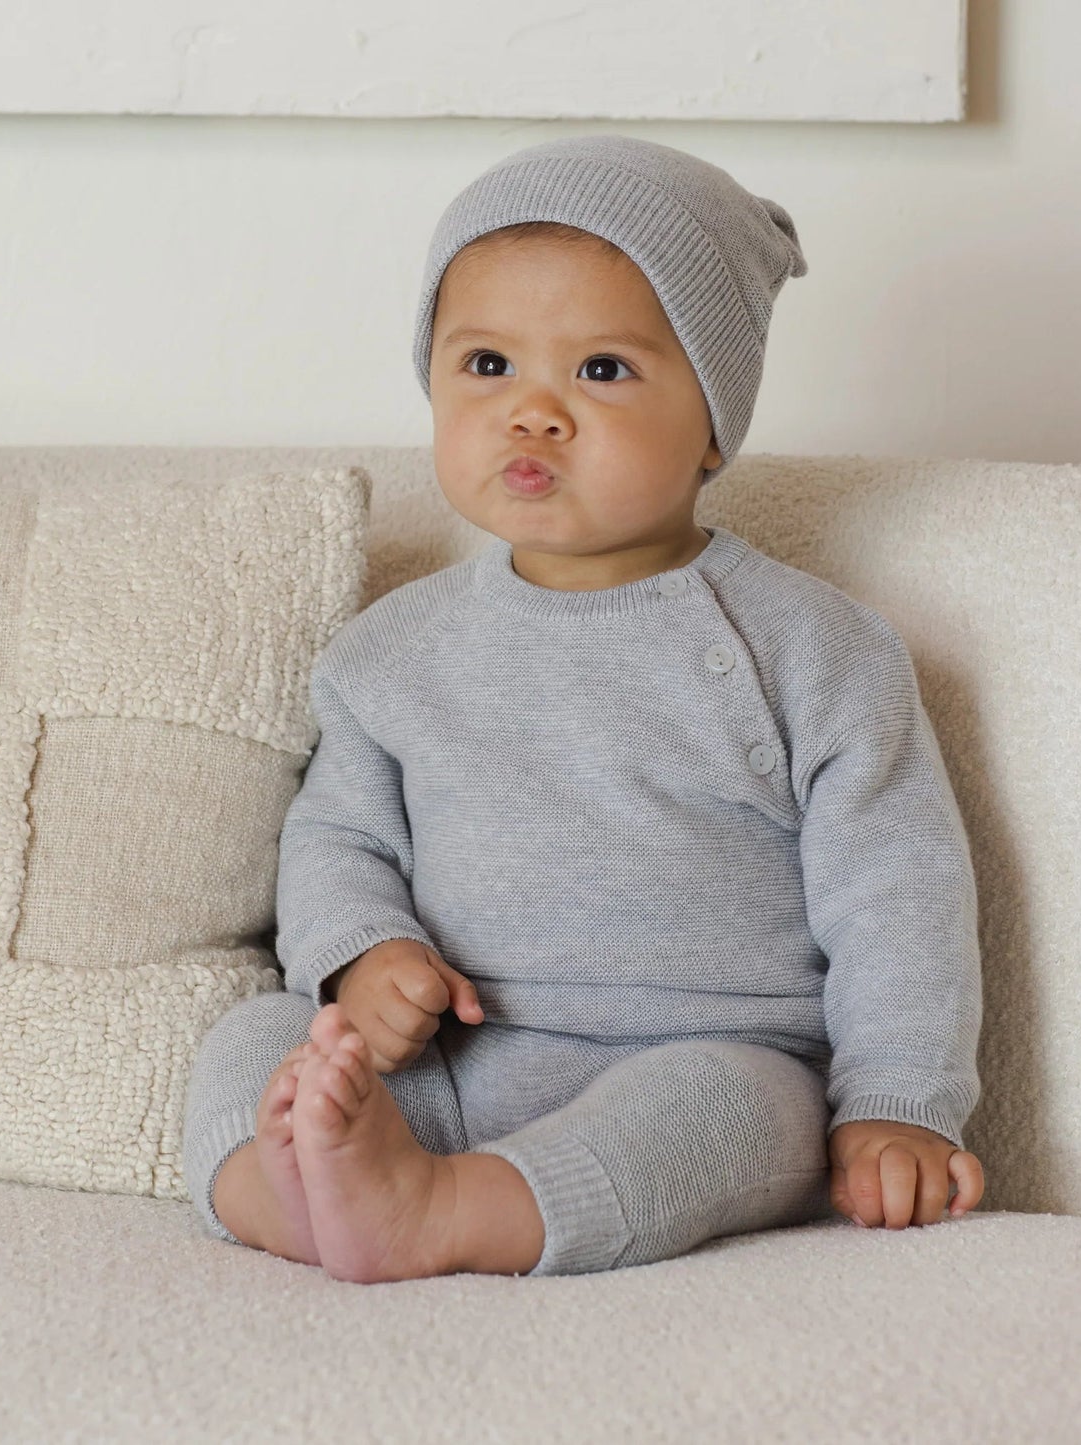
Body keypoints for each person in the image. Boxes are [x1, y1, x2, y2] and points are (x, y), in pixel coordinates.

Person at [182, 134, 986, 1282]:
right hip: (444, 1065)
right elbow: (336, 835)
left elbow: (896, 893)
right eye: (486, 364)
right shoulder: (390, 651)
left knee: (735, 1105)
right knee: (257, 1038)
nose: (533, 413)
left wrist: (896, 1101)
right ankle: (287, 1192)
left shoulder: (816, 651)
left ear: (713, 423)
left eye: (601, 370)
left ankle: (444, 1209)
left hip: (698, 1054)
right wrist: (361, 951)